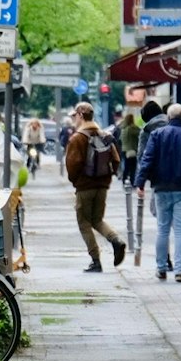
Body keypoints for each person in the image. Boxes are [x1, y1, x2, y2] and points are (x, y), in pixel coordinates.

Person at [134, 103, 181, 283]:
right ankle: (179, 270)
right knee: (180, 230)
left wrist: (140, 182)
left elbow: (147, 159)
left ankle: (161, 268)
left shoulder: (156, 135)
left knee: (162, 229)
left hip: (161, 187)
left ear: (169, 117)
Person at [63, 103, 128, 272]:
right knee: (97, 220)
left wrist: (76, 181)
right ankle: (116, 240)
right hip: (102, 185)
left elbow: (72, 164)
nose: (73, 119)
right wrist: (107, 176)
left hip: (85, 186)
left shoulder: (78, 138)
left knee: (84, 222)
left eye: (74, 116)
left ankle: (96, 260)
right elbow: (116, 159)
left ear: (80, 115)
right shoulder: (103, 134)